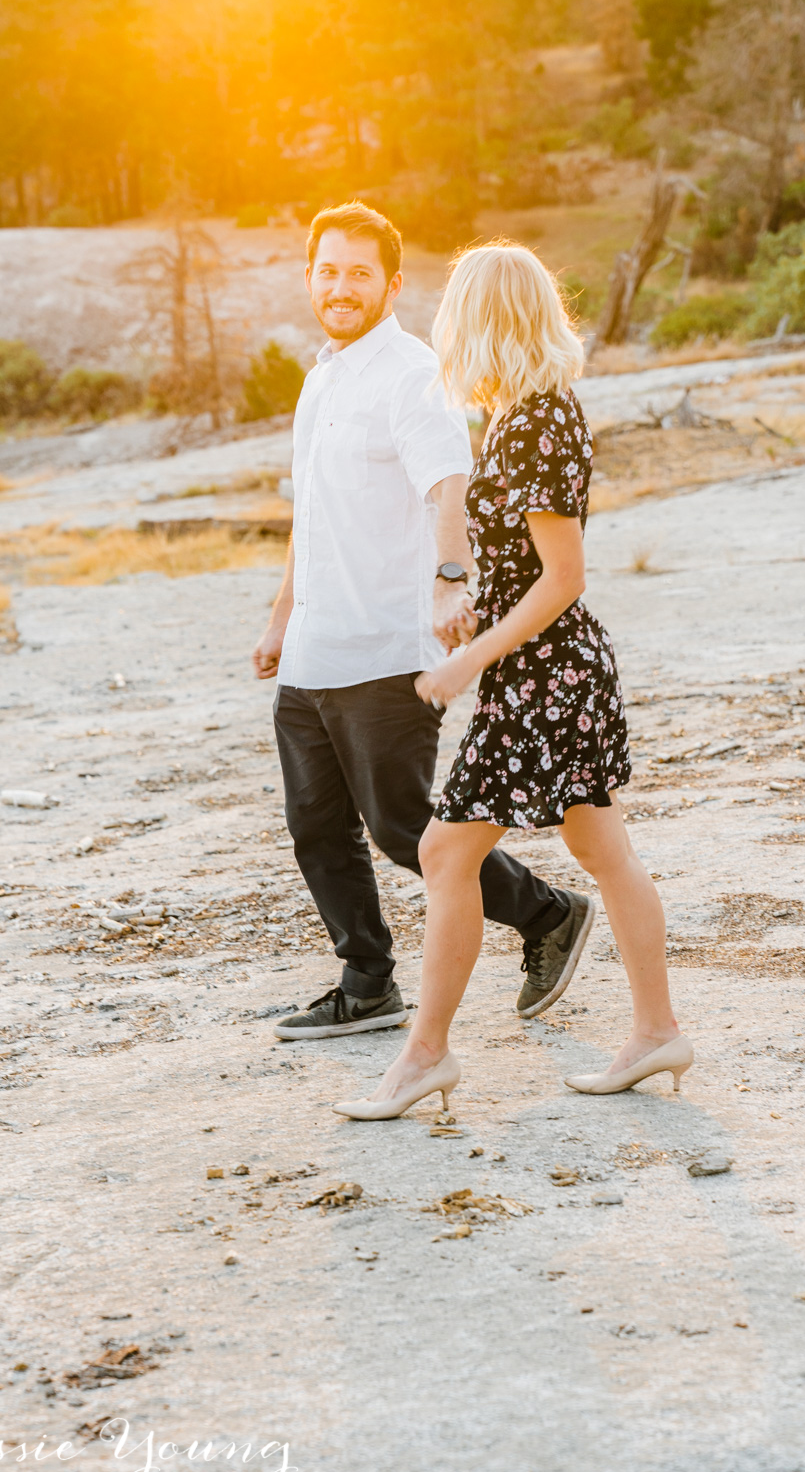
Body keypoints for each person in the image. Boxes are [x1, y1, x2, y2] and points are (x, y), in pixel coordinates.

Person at [332, 241, 693, 1120]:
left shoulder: (541, 418)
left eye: (458, 306)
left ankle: (423, 1057)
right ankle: (655, 1032)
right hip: (538, 669)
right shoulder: (520, 412)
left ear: (484, 317)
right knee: (598, 849)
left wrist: (469, 655)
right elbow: (527, 568)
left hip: (548, 677)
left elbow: (565, 577)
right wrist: (471, 609)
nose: (446, 322)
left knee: (443, 849)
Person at [252, 203, 595, 1042]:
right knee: (314, 828)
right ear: (309, 279)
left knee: (406, 828)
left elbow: (450, 484)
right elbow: (311, 517)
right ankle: (365, 980)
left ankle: (548, 915)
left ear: (392, 284)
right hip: (313, 649)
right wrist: (279, 618)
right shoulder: (320, 374)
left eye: (358, 273)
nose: (340, 287)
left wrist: (449, 581)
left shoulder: (413, 373)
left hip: (386, 646)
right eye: (327, 271)